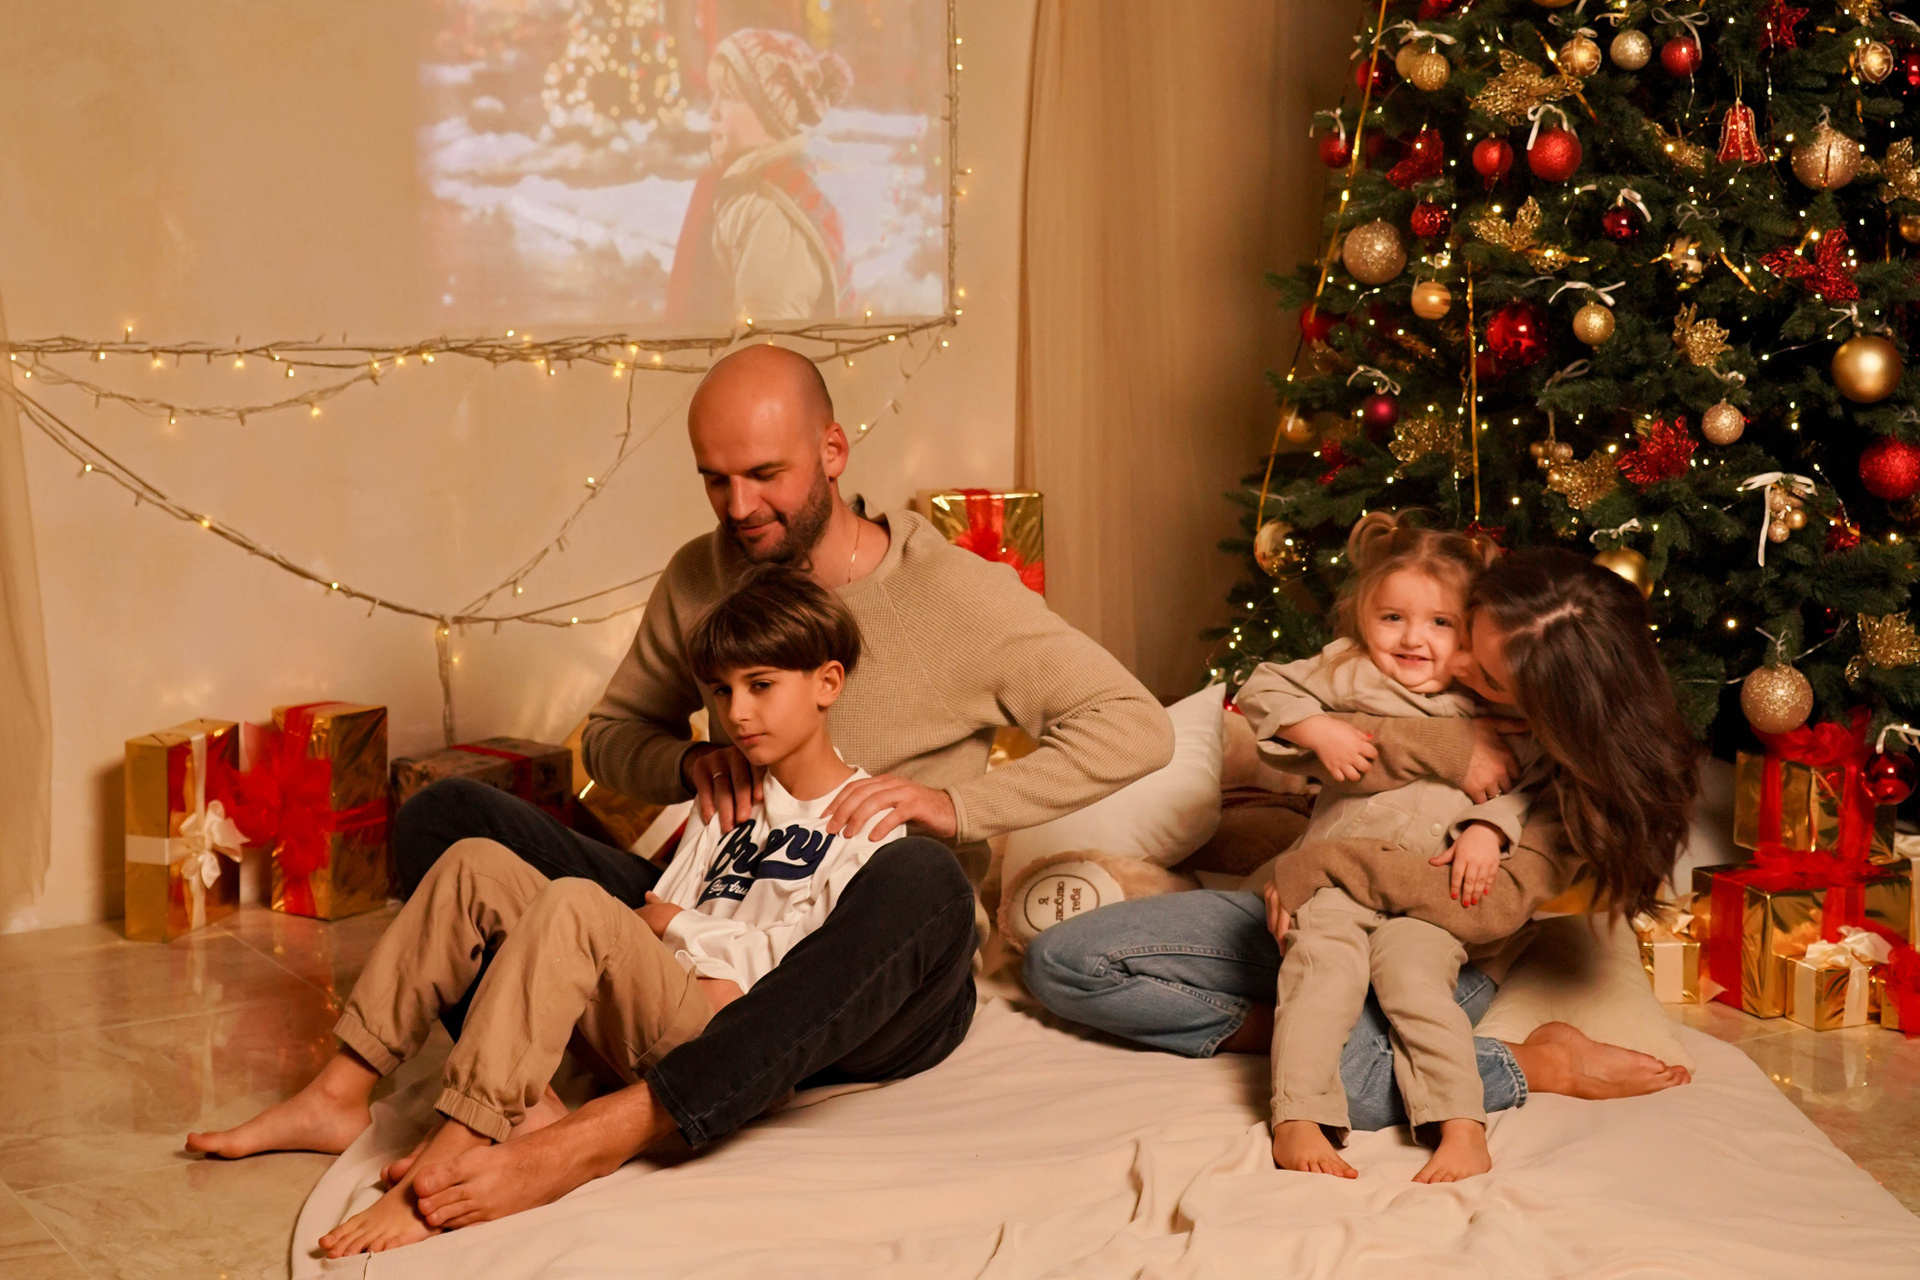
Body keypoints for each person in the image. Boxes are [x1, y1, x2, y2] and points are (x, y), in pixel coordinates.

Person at [183, 343, 1175, 1231]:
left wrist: (955, 807)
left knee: (925, 881)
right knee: (447, 816)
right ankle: (525, 1096)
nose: (739, 507)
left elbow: (1135, 724)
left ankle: (613, 1127)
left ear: (833, 451)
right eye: (715, 479)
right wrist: (691, 762)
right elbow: (612, 737)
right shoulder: (703, 574)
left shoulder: (950, 592)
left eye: (766, 474)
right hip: (718, 914)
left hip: (864, 962)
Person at [291, 565, 906, 1256]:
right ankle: (338, 1091)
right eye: (722, 690)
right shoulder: (728, 794)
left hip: (725, 1048)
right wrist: (665, 929)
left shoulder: (869, 824)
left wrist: (675, 928)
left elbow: (808, 978)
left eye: (760, 686)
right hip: (655, 1005)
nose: (736, 713)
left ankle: (463, 1135)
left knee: (580, 901)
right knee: (474, 863)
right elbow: (661, 904)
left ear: (827, 682)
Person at [1024, 546, 1700, 1152]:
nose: (1456, 663)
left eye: (1489, 678)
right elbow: (1309, 744)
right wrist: (1446, 745)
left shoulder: (1567, 784)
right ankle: (1293, 1029)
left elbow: (1478, 906)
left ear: (1550, 708)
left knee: (1352, 1086)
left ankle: (1539, 1062)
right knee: (1064, 962)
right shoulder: (1410, 675)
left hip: (1426, 947)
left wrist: (1321, 865)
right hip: (1307, 917)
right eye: (1467, 632)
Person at [1240, 514, 1548, 1183]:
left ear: (1471, 633)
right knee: (1321, 969)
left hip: (1431, 889)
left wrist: (1489, 827)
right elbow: (1260, 685)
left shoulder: (1491, 695)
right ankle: (1299, 1115)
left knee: (1416, 982)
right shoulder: (1349, 671)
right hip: (1335, 877)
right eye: (1392, 618)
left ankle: (1461, 1125)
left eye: (1440, 623)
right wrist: (1317, 728)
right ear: (1362, 617)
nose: (1413, 639)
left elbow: (1533, 779)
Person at [664, 28, 855, 325]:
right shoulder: (744, 194)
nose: (713, 111)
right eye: (714, 95)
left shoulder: (772, 215)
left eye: (729, 97)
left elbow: (768, 339)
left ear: (772, 112)